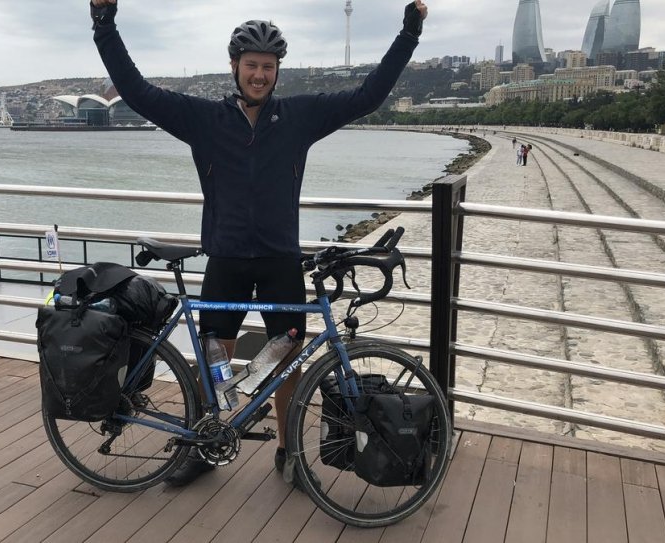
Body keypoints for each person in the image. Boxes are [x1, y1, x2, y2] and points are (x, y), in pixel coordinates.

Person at [88, 0, 428, 487]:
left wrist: (408, 32)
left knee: (287, 358)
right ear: (234, 66)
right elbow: (138, 92)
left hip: (279, 260)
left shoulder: (299, 117)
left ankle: (290, 452)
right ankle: (208, 441)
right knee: (216, 357)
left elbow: (367, 96)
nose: (260, 75)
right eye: (252, 65)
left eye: (268, 67)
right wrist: (105, 24)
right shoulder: (203, 119)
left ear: (277, 72)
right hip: (225, 256)